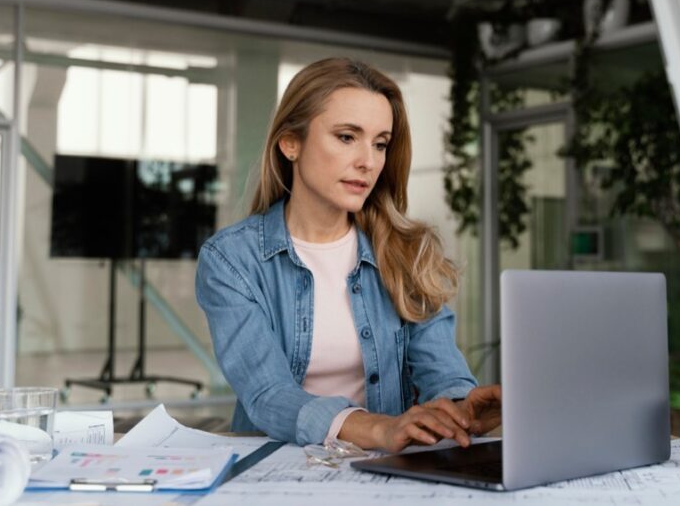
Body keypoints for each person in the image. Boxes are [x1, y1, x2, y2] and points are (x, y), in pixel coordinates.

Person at [195, 57, 500, 453]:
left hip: (386, 471)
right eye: (346, 137)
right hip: (276, 470)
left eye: (380, 144)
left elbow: (441, 370)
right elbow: (268, 393)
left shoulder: (407, 253)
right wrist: (379, 429)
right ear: (290, 143)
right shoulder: (232, 260)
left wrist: (462, 411)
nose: (368, 161)